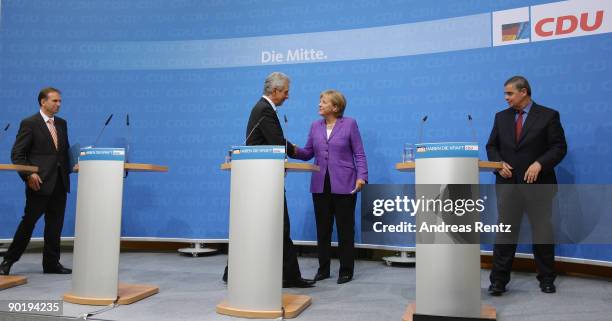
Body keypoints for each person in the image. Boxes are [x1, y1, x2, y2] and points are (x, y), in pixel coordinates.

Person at [223, 72, 315, 288]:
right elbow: (276, 142)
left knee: (255, 227)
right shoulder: (265, 109)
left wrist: (292, 150)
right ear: (274, 91)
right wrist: (297, 151)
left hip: (259, 177)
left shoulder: (262, 108)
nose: (287, 97)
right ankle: (290, 277)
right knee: (280, 227)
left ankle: (232, 271)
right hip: (264, 179)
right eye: (285, 92)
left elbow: (273, 140)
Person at [486, 76, 567, 295]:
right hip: (508, 185)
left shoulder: (549, 115)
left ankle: (547, 279)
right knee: (505, 234)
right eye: (505, 94)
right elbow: (491, 146)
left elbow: (559, 147)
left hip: (538, 185)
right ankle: (498, 281)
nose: (506, 98)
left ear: (524, 92)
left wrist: (540, 163)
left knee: (542, 231)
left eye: (509, 93)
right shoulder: (501, 117)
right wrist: (497, 163)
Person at [293, 90, 368, 284]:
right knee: (323, 229)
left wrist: (362, 177)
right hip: (320, 184)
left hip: (346, 183)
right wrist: (291, 149)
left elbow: (359, 154)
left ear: (335, 107)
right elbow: (308, 152)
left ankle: (346, 270)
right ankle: (323, 269)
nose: (319, 104)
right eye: (320, 101)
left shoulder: (350, 124)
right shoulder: (314, 126)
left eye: (323, 102)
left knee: (345, 229)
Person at [0, 87, 72, 275]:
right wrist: (28, 175)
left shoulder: (62, 124)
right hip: (38, 182)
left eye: (60, 101)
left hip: (60, 182)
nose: (59, 104)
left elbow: (63, 152)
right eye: (55, 101)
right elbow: (18, 154)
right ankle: (8, 261)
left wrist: (76, 163)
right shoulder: (30, 123)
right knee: (29, 223)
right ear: (43, 102)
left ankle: (51, 264)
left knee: (55, 225)